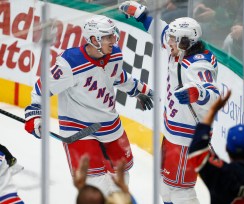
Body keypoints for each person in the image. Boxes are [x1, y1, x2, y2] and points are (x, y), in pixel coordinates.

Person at [24, 15, 153, 196]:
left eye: (113, 36)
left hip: (110, 125)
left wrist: (139, 90)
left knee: (121, 178)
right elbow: (41, 89)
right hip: (79, 128)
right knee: (95, 186)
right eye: (108, 37)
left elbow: (118, 76)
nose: (114, 40)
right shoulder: (70, 62)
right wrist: (34, 116)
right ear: (94, 39)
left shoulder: (114, 54)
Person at [119, 1, 220, 203]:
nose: (169, 42)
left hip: (186, 139)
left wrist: (197, 92)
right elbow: (161, 31)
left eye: (174, 39)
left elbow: (213, 95)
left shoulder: (197, 64)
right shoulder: (181, 49)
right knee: (165, 186)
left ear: (185, 42)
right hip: (173, 134)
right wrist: (141, 14)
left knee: (181, 192)